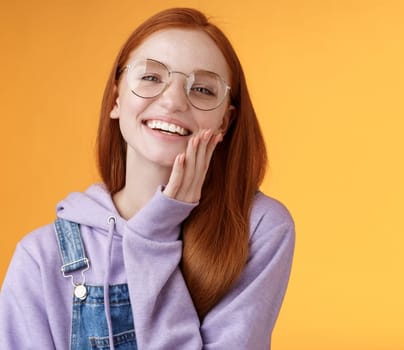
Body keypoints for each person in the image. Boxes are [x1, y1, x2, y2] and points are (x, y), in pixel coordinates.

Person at [0, 7, 295, 350]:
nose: (172, 101)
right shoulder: (41, 257)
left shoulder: (258, 228)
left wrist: (156, 232)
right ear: (116, 99)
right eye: (151, 78)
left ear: (224, 123)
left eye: (202, 89)